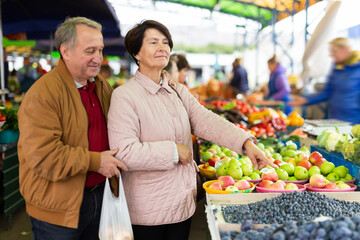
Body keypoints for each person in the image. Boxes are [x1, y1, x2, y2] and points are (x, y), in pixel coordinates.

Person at [107, 19, 277, 240]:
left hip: (182, 206)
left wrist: (245, 143)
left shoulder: (177, 91)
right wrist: (174, 152)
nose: (162, 48)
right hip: (147, 212)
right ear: (136, 53)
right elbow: (125, 152)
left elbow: (206, 120)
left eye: (166, 42)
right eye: (153, 42)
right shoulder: (125, 96)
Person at [17, 17, 128, 240]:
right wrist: (97, 162)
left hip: (99, 196)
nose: (98, 59)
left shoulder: (100, 85)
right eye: (90, 51)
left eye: (100, 50)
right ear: (65, 52)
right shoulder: (42, 94)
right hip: (57, 209)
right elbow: (43, 156)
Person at [288, 37, 360, 124]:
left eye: (334, 51)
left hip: (354, 121)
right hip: (335, 118)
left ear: (344, 49)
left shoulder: (357, 69)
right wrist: (306, 100)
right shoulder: (336, 69)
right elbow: (327, 92)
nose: (331, 54)